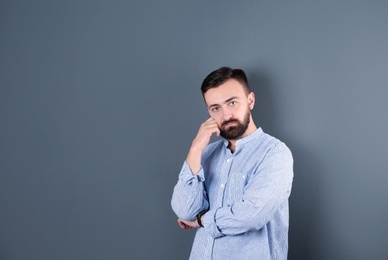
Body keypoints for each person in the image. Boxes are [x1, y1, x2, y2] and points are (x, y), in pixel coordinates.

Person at [171, 66, 294, 260]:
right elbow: (184, 210)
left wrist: (203, 220)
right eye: (215, 108)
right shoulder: (206, 153)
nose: (226, 115)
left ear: (250, 100)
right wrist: (195, 149)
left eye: (232, 102)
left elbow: (251, 215)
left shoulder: (274, 153)